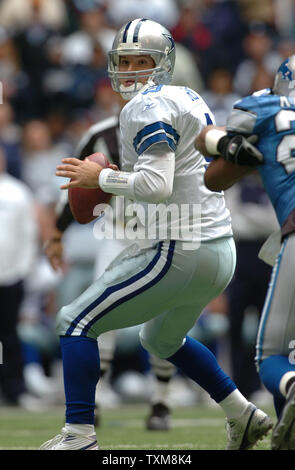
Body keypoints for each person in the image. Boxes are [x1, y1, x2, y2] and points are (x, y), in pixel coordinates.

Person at [40, 18, 272, 451]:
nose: (129, 71)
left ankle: (79, 434)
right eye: (123, 61)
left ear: (161, 63)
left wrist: (101, 177)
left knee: (74, 320)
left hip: (179, 246)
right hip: (219, 249)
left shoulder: (144, 106)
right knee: (160, 339)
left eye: (140, 61)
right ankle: (242, 413)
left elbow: (157, 185)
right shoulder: (187, 95)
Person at [45, 103, 175, 431]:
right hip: (117, 233)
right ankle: (97, 398)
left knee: (165, 319)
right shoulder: (99, 133)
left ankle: (161, 399)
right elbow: (73, 184)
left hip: (164, 232)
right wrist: (58, 232)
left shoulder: (172, 124)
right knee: (97, 315)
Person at [195, 54, 295, 450]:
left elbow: (211, 170)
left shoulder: (266, 108)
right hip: (262, 241)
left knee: (271, 353)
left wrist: (226, 143)